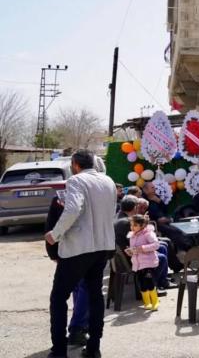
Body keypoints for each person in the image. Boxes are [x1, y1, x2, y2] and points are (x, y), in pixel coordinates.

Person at [46, 150, 116, 358]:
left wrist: (55, 234)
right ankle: (94, 347)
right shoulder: (108, 181)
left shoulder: (76, 181)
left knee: (58, 298)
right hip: (102, 246)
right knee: (95, 296)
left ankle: (59, 350)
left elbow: (74, 208)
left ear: (75, 164)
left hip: (78, 248)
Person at [46, 190, 89, 349]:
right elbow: (51, 225)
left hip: (75, 252)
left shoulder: (63, 197)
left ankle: (77, 328)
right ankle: (77, 328)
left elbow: (50, 225)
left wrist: (52, 252)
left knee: (79, 288)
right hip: (81, 251)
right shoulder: (95, 194)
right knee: (83, 288)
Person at [126, 215, 161, 311]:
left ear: (142, 225)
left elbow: (156, 245)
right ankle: (147, 302)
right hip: (138, 264)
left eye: (135, 225)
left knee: (149, 282)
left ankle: (155, 301)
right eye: (131, 225)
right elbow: (134, 249)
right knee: (141, 284)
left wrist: (143, 248)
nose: (132, 227)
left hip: (148, 262)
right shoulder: (132, 235)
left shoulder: (148, 234)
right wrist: (131, 251)